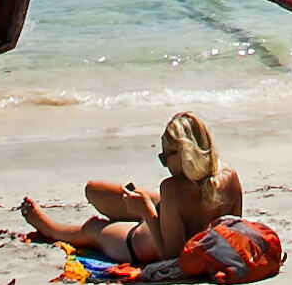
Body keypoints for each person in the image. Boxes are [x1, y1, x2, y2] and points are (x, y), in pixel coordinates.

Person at [19, 110, 241, 266]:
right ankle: (134, 207)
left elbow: (172, 258)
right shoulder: (230, 178)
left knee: (94, 228)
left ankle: (49, 228)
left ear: (184, 154)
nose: (164, 164)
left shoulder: (172, 189)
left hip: (143, 242)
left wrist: (146, 213)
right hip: (167, 215)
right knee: (94, 190)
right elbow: (235, 233)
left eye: (165, 158)